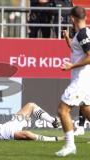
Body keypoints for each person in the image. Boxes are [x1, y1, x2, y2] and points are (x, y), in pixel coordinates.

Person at [56, 6, 90, 157]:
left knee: (62, 110)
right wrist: (67, 38)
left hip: (81, 80)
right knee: (86, 110)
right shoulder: (83, 33)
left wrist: (72, 66)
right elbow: (77, 49)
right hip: (85, 79)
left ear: (72, 18)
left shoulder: (83, 34)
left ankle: (70, 145)